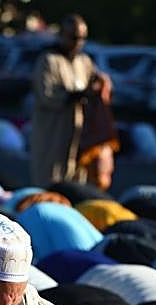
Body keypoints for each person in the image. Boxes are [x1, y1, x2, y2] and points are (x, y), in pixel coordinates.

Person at [30, 15, 112, 186]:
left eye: (82, 38)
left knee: (76, 179)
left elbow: (96, 82)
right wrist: (78, 95)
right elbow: (48, 96)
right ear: (62, 35)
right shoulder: (49, 60)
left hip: (78, 132)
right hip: (53, 132)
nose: (78, 42)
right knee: (50, 178)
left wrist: (101, 83)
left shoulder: (84, 61)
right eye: (73, 37)